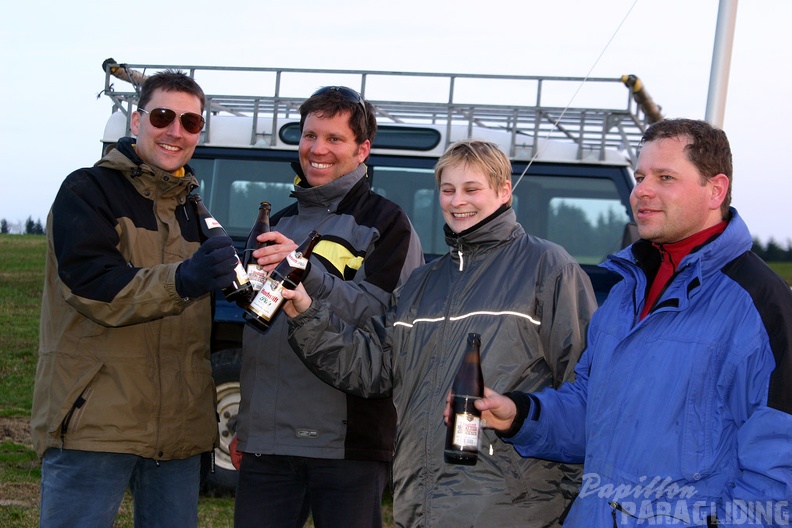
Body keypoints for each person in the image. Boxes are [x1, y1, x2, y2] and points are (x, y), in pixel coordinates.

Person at [473, 119, 792, 526]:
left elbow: (778, 475)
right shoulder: (627, 292)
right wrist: (518, 414)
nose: (641, 190)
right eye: (640, 176)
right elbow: (591, 410)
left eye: (665, 177)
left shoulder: (760, 305)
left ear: (716, 189)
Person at [283, 139, 598, 527]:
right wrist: (305, 311)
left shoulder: (549, 267)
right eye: (447, 190)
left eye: (471, 189)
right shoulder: (421, 283)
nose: (456, 201)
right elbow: (372, 369)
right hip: (419, 503)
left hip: (514, 508)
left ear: (503, 191)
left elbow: (586, 392)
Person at [31, 70, 238, 527]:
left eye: (191, 122)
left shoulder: (195, 209)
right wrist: (184, 279)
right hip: (97, 424)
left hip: (179, 433)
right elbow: (94, 288)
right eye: (163, 116)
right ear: (136, 121)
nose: (175, 131)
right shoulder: (87, 191)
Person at [233, 86, 424, 528]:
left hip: (347, 447)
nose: (318, 149)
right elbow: (256, 330)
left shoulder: (388, 223)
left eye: (334, 139)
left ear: (362, 150)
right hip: (268, 445)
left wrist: (303, 271)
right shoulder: (275, 223)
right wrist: (248, 428)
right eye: (309, 135)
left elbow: (386, 317)